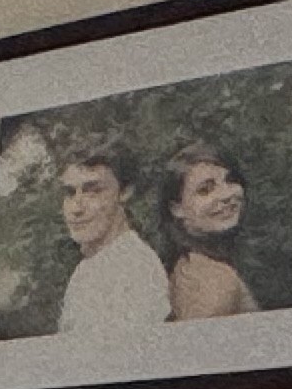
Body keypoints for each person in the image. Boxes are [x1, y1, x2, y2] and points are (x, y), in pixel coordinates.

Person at [54, 146, 170, 333]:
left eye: (93, 191)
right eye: (70, 193)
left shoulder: (133, 268)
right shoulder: (89, 267)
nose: (77, 208)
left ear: (124, 192)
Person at [164, 143, 261, 319]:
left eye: (230, 180)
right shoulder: (209, 280)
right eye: (205, 190)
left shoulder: (202, 264)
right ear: (177, 208)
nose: (226, 195)